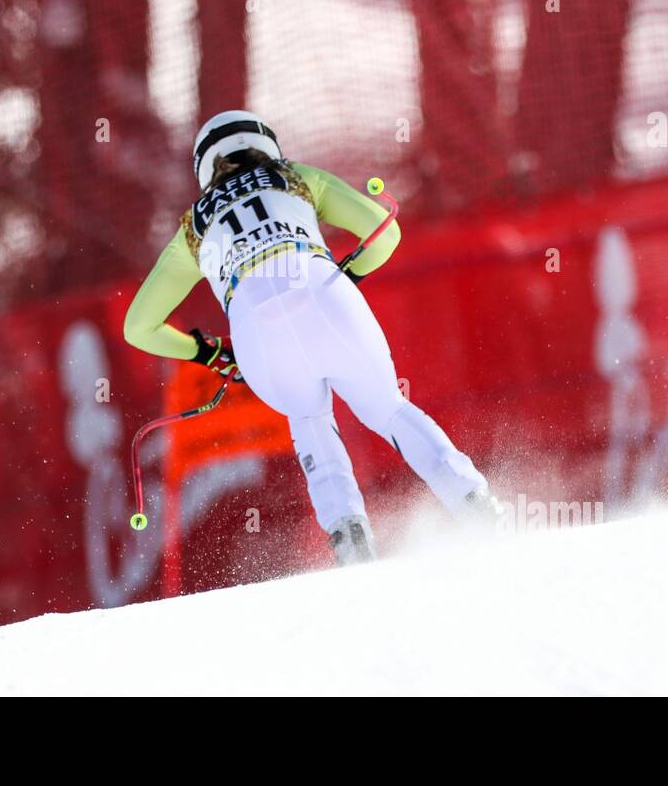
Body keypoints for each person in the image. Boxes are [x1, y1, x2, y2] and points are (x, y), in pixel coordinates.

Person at [123, 110, 498, 565]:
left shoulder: (193, 229)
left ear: (205, 166)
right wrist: (349, 274)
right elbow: (385, 231)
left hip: (254, 331)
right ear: (265, 146)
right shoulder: (294, 177)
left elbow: (138, 327)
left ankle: (350, 543)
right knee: (388, 409)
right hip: (322, 289)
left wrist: (207, 351)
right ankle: (478, 508)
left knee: (309, 423)